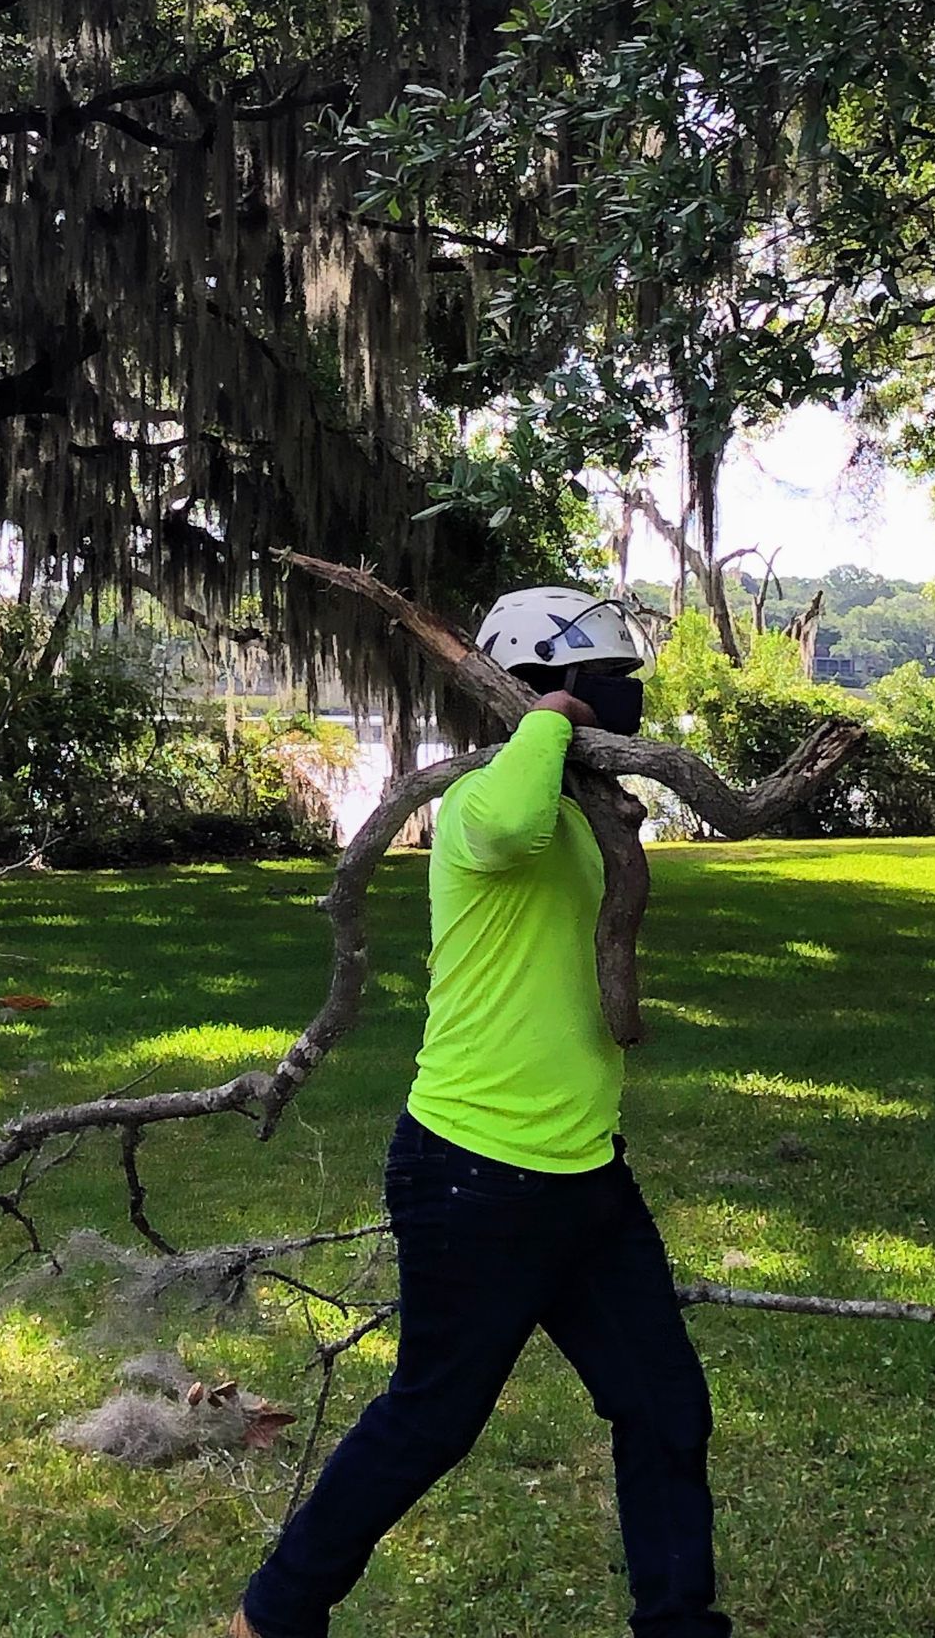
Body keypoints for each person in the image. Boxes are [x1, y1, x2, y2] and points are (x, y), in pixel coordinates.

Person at [229, 586, 732, 1638]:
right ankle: (271, 1618)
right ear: (539, 688)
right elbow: (506, 826)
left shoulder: (582, 812)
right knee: (433, 1419)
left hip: (586, 1174)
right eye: (604, 683)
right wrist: (547, 721)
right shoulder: (476, 803)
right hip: (474, 1172)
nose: (622, 698)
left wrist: (577, 751)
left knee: (665, 1408)